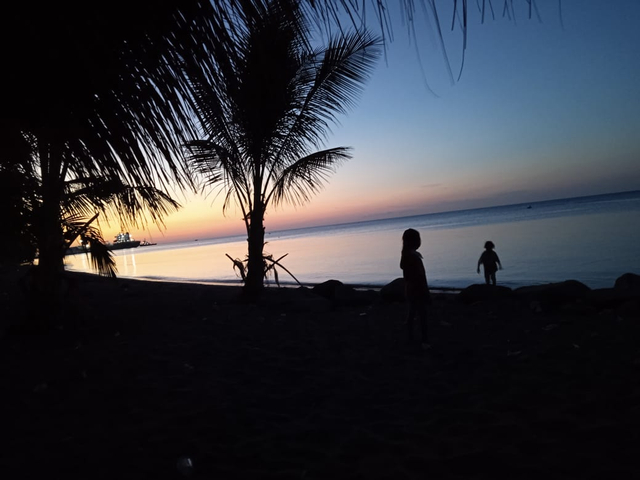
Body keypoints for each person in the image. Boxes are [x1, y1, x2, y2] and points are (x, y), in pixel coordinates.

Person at [400, 228, 431, 349]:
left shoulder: (406, 256)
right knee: (423, 315)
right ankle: (424, 340)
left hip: (410, 289)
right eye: (418, 239)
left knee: (412, 313)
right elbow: (420, 276)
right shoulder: (413, 257)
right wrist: (426, 292)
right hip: (417, 289)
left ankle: (410, 336)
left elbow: (408, 276)